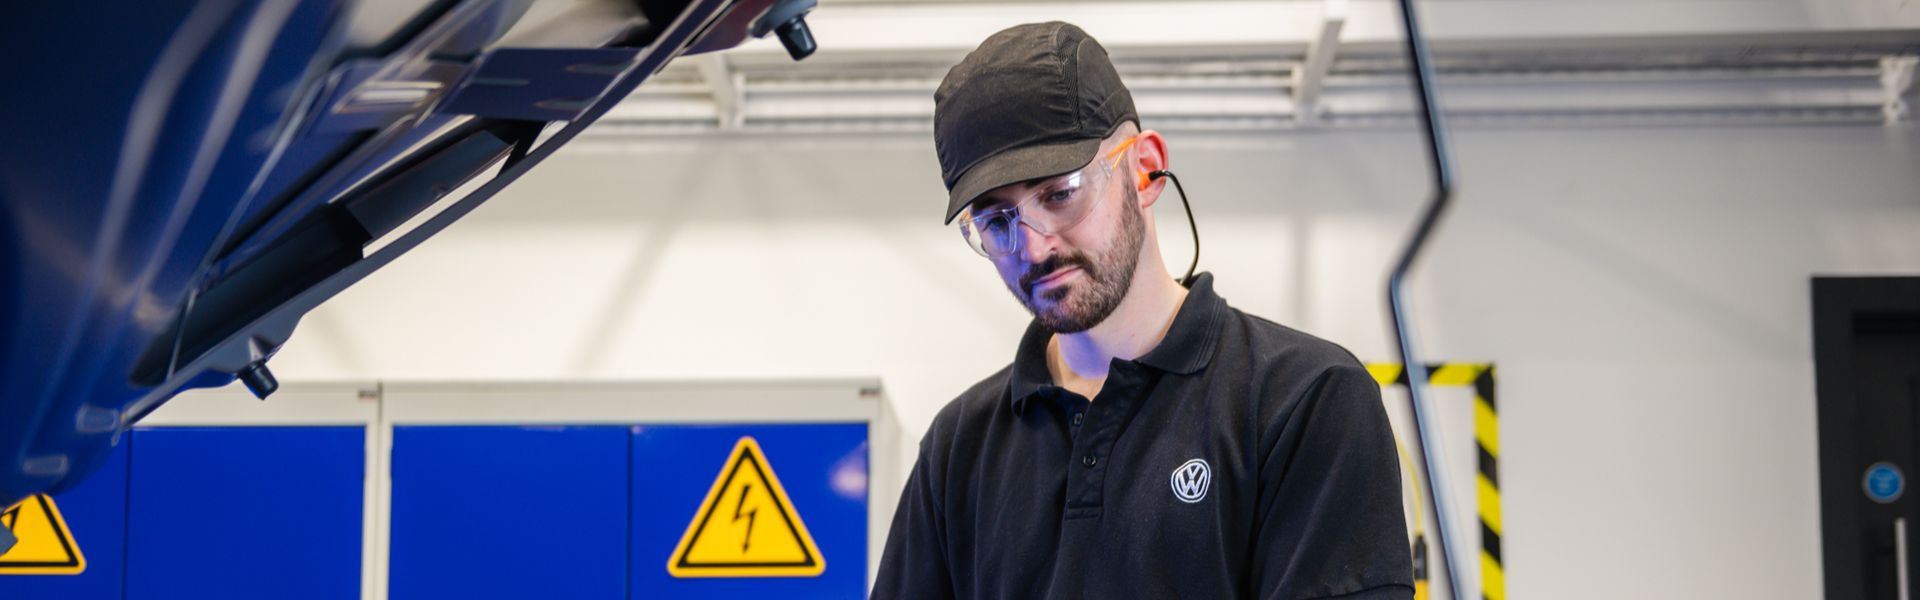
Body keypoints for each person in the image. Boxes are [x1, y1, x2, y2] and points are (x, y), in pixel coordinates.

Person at [871, 21, 1415, 600]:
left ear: (1145, 168)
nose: (1033, 245)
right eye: (995, 220)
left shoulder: (1304, 400)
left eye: (1059, 194)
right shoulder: (959, 447)